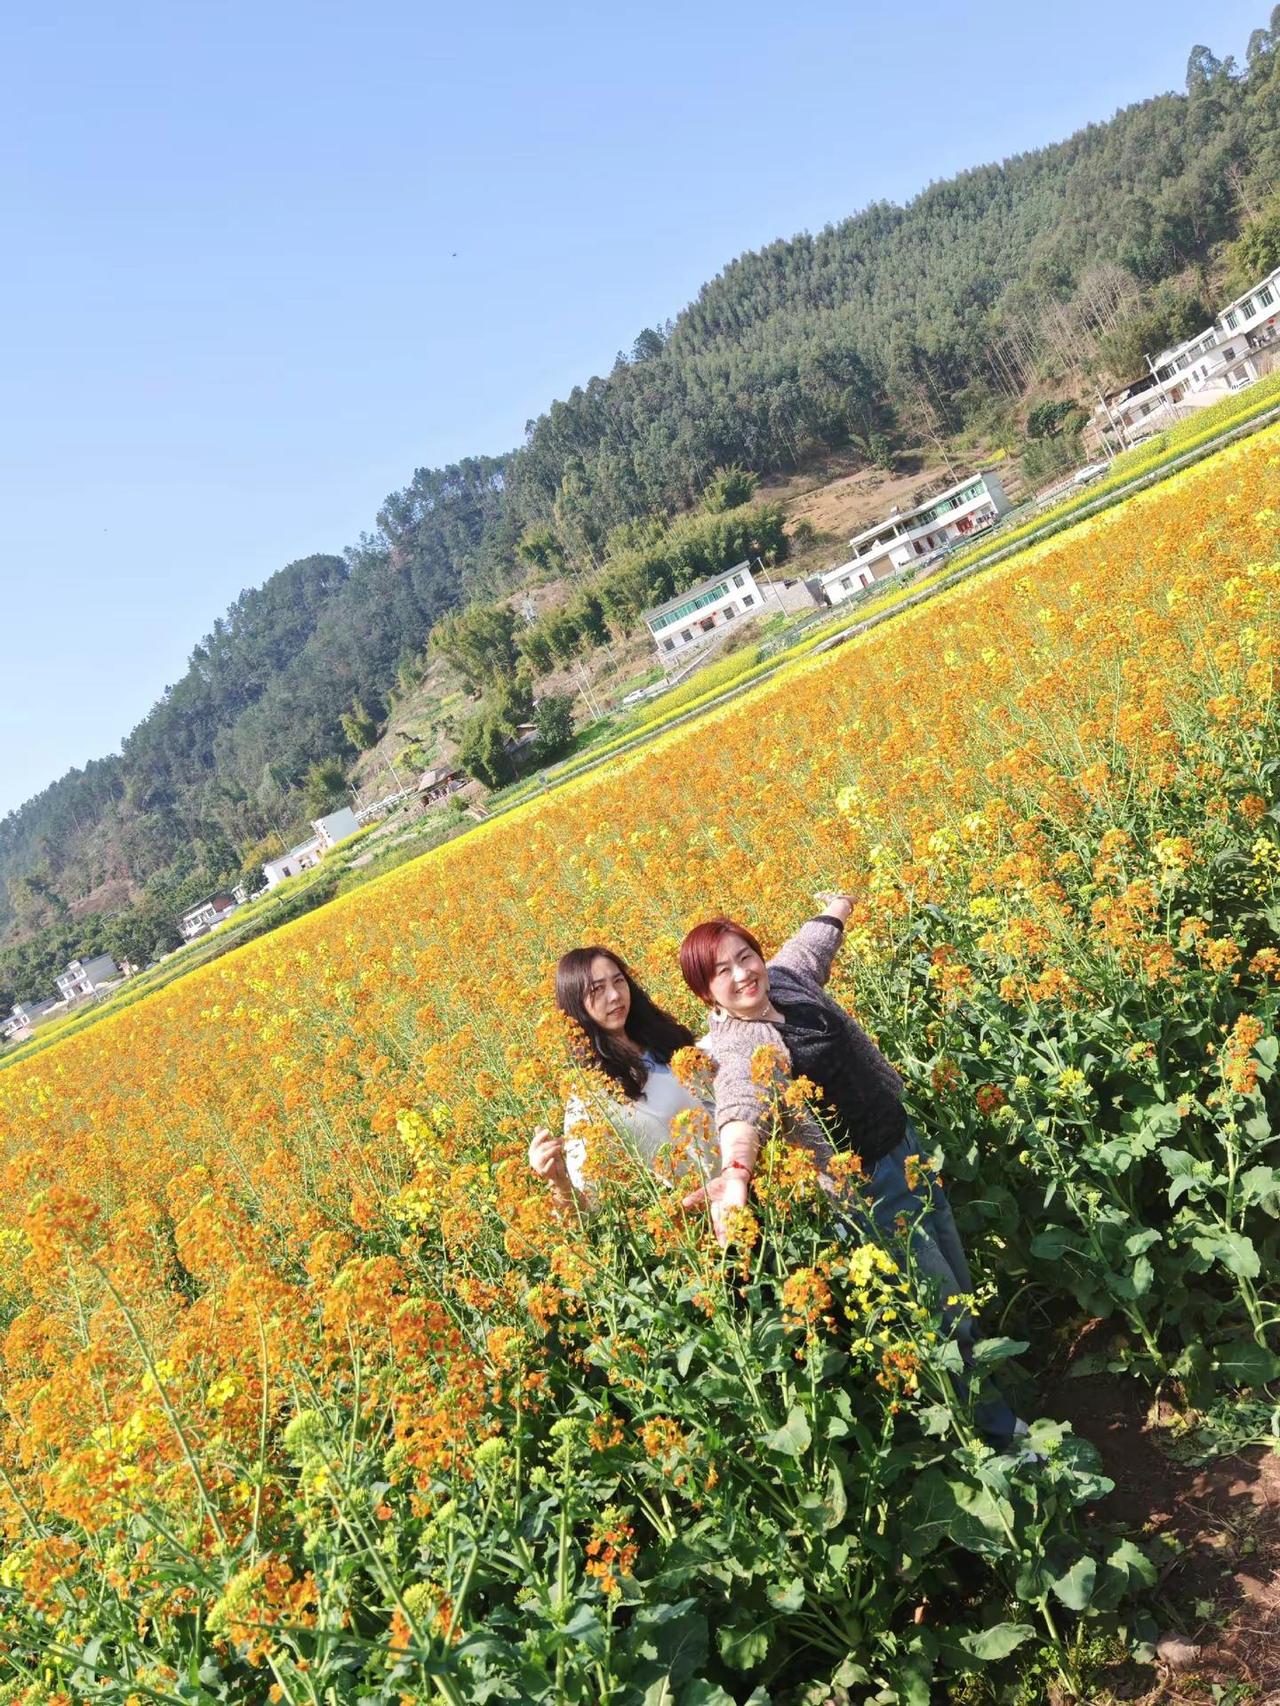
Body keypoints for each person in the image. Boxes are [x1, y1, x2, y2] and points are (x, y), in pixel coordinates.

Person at [677, 895, 1020, 1447]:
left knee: (958, 1283)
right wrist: (736, 1171)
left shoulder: (786, 980)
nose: (743, 974)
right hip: (867, 1193)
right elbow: (741, 1104)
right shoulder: (737, 1050)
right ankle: (997, 1437)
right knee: (941, 1313)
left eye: (746, 956)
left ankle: (995, 1400)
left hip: (903, 1149)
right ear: (704, 993)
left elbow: (813, 943)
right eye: (722, 972)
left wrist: (838, 906)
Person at [528, 945, 716, 1210]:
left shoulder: (662, 1039)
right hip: (714, 1209)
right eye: (597, 990)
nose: (615, 996)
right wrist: (559, 1183)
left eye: (618, 981)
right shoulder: (591, 1097)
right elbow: (588, 1206)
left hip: (759, 1163)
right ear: (575, 1005)